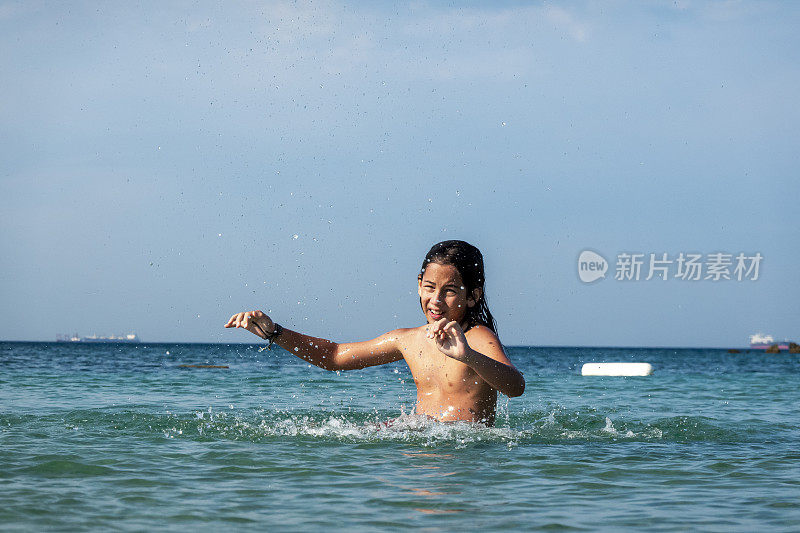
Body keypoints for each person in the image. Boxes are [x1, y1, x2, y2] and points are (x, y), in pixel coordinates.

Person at [224, 240, 525, 426]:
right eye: (430, 288)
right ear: (419, 284)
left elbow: (515, 387)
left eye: (449, 292)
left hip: (463, 455)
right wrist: (275, 332)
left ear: (472, 296)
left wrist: (468, 356)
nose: (435, 299)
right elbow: (335, 357)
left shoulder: (476, 337)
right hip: (422, 449)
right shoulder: (408, 339)